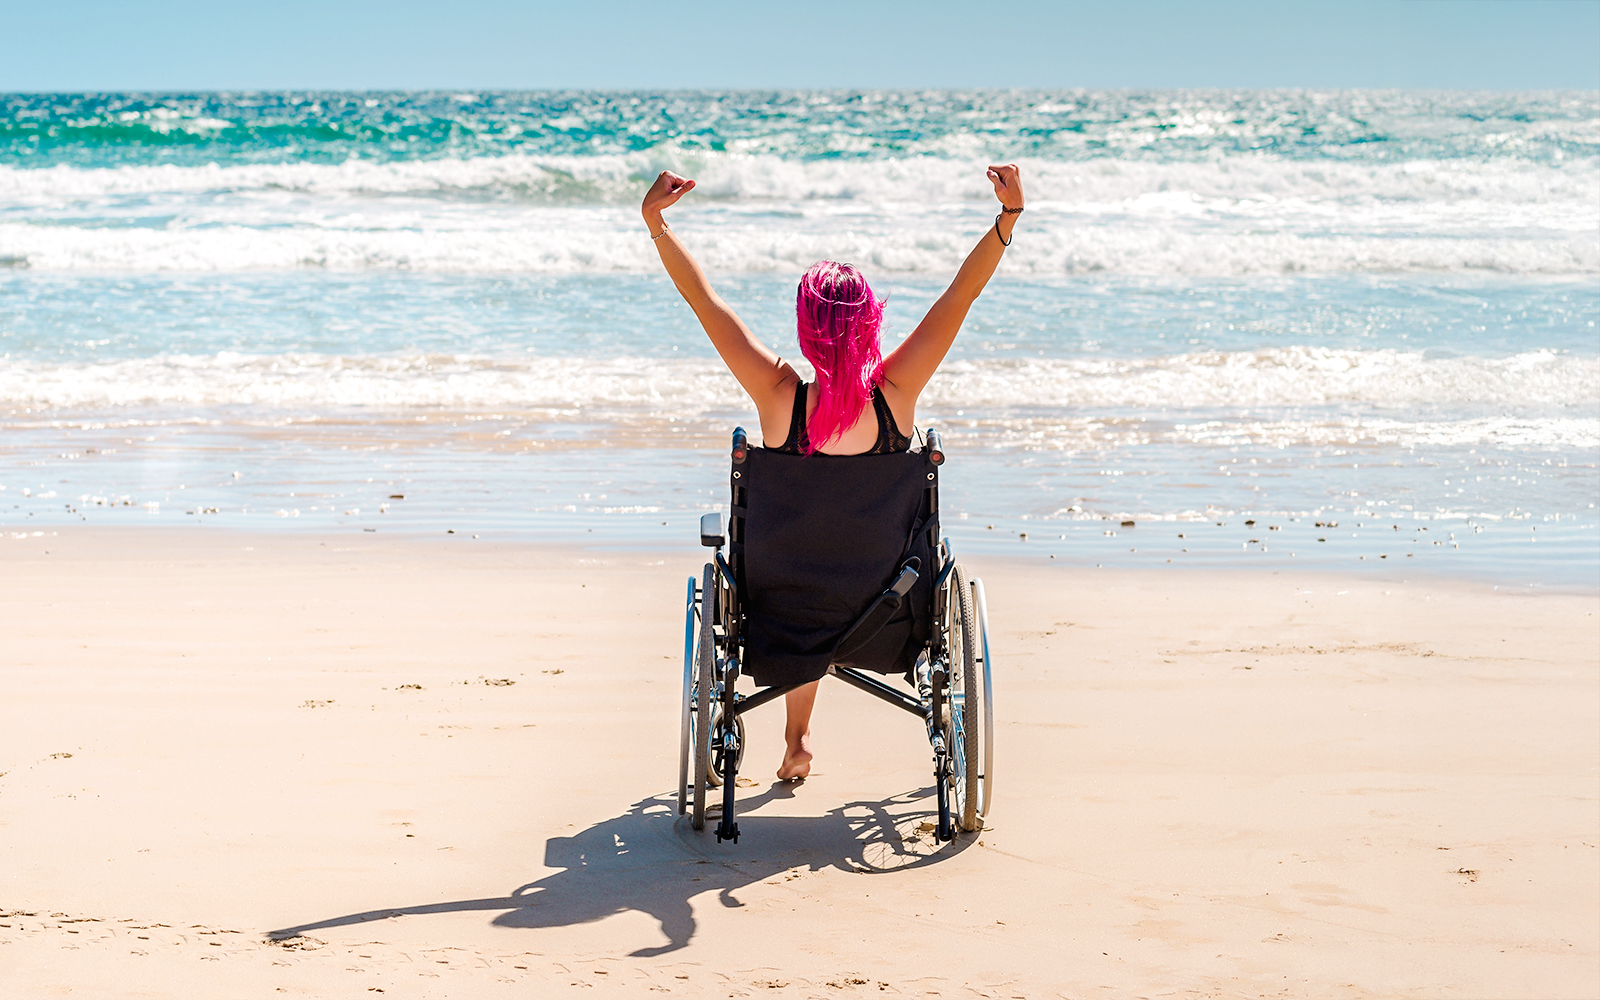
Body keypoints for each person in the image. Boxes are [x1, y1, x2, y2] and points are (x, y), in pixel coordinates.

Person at [642, 164, 1025, 781]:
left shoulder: (778, 396)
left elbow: (702, 301)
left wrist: (655, 224)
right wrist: (1007, 220)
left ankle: (796, 741)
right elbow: (960, 297)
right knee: (839, 568)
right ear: (870, 319)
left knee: (806, 568)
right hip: (888, 613)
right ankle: (798, 739)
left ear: (806, 328)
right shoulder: (896, 393)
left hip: (781, 611)